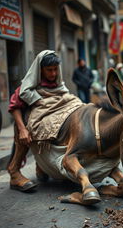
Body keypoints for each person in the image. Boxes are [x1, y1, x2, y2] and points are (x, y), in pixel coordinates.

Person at [8, 50, 83, 191]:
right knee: (28, 132)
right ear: (40, 70)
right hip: (27, 124)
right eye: (49, 70)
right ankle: (14, 172)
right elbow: (14, 107)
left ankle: (42, 166)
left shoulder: (59, 86)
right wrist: (22, 129)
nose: (53, 74)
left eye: (55, 69)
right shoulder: (28, 88)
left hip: (48, 123)